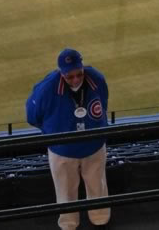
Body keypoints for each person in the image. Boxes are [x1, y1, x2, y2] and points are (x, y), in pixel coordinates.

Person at [26, 49, 110, 230]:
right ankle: (69, 225)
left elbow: (103, 103)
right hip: (62, 150)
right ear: (61, 72)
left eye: (79, 74)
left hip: (94, 145)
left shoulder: (96, 78)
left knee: (98, 187)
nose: (76, 79)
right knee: (65, 192)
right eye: (70, 76)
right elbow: (32, 116)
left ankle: (100, 220)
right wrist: (54, 131)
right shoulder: (47, 88)